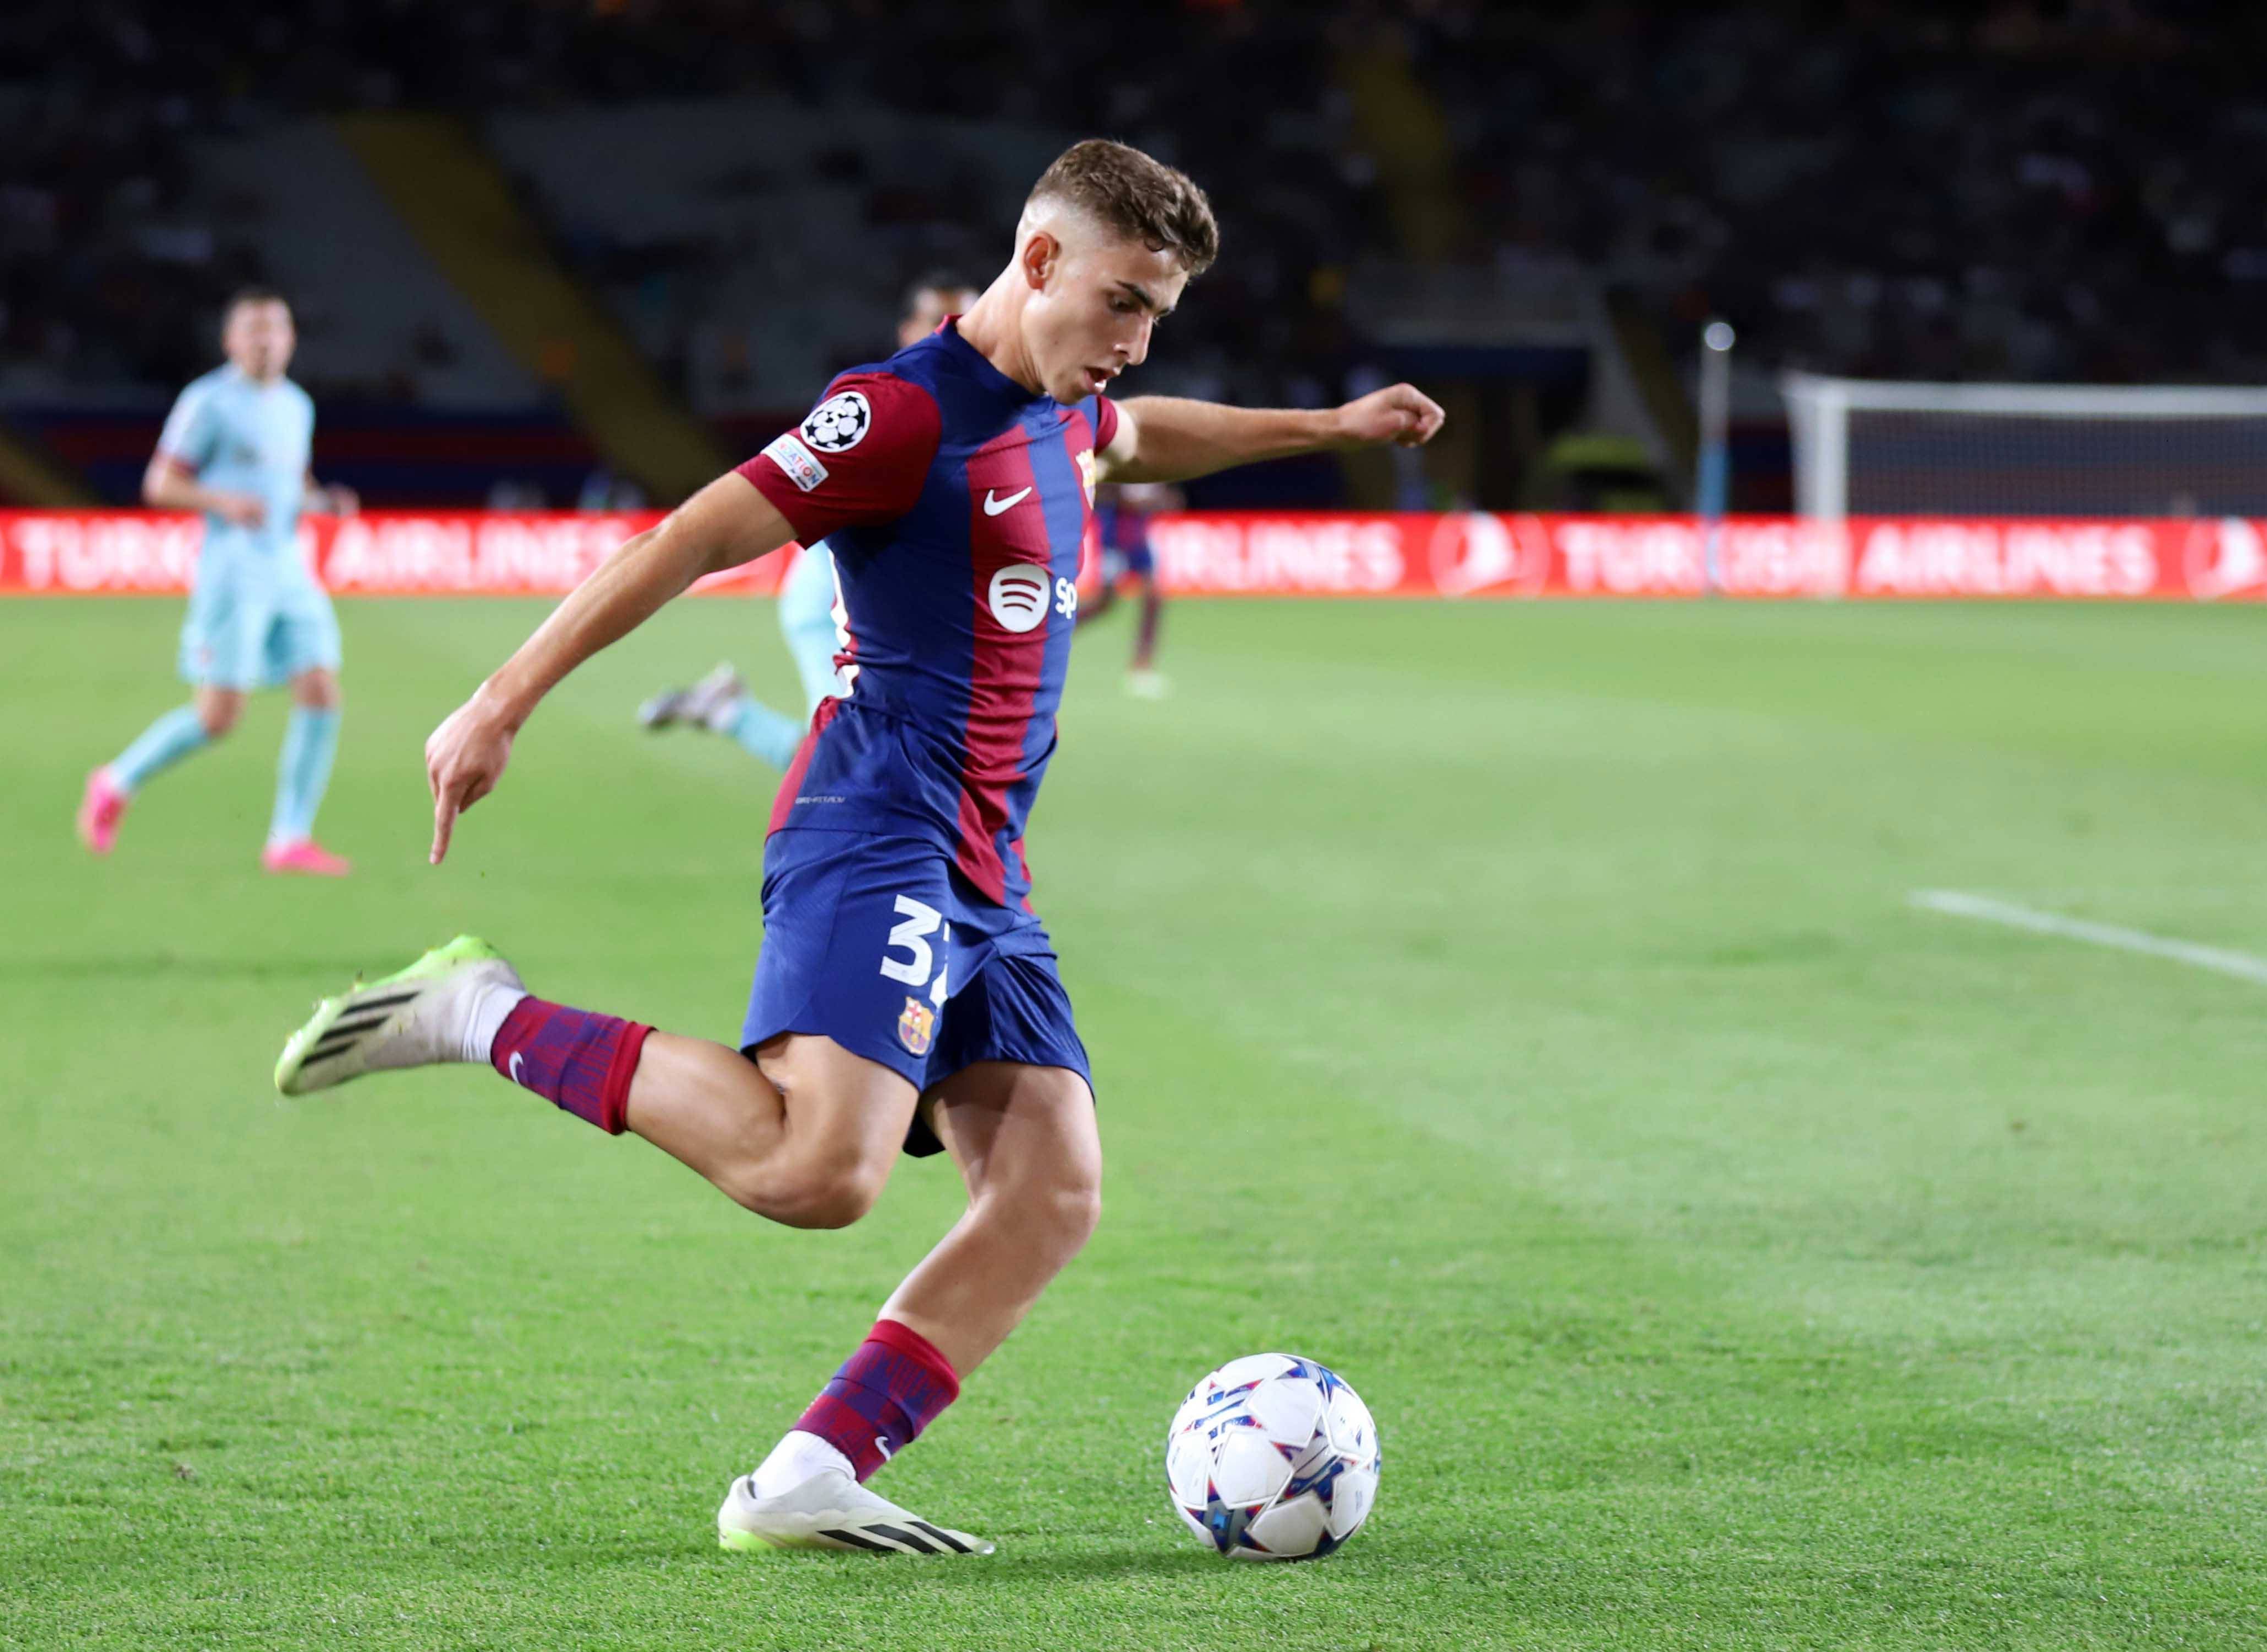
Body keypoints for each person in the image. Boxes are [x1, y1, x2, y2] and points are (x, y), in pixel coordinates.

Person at [272, 140, 1442, 1554]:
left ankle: (805, 1475)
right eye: (1122, 302)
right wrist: (498, 699)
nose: (1132, 343)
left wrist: (1326, 426)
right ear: (1040, 260)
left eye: (1158, 316)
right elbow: (691, 535)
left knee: (1050, 1189)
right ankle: (482, 1011)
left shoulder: (1074, 410)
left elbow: (1148, 440)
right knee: (818, 1175)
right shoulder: (898, 416)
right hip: (876, 821)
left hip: (985, 865)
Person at [640, 272, 983, 769]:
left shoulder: (965, 407)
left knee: (851, 759)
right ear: (908, 330)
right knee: (844, 762)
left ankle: (725, 710)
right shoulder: (885, 406)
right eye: (938, 322)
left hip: (881, 611)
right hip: (836, 606)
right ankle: (728, 713)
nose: (952, 336)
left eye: (965, 324)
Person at [76, 289, 359, 874]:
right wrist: (220, 500)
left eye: (276, 329)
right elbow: (159, 484)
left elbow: (291, 483)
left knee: (322, 691)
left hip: (289, 565)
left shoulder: (296, 405)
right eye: (253, 329)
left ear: (291, 339)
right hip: (233, 571)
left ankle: (289, 837)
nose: (266, 340)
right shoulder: (207, 402)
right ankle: (115, 780)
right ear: (231, 341)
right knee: (219, 715)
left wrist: (323, 500)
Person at [1080, 479, 1179, 696]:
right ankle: (1057, 633)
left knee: (1154, 598)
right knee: (1104, 604)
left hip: (1139, 538)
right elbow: (1103, 490)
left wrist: (1158, 501)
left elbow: (1169, 498)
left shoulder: (1155, 464)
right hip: (1114, 537)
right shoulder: (1124, 461)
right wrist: (1130, 500)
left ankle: (1142, 667)